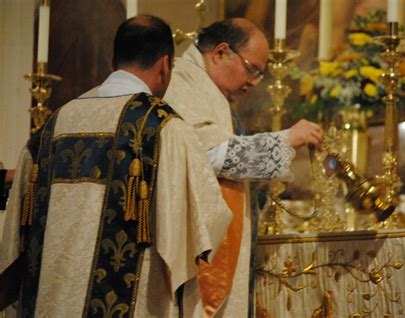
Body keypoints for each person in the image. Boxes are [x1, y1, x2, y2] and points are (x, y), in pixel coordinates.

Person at [0, 15, 232, 317]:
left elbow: (19, 235)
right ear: (165, 64)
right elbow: (204, 224)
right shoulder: (165, 128)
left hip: (51, 305)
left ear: (114, 62)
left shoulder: (53, 126)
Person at [164, 18, 323, 317]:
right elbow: (208, 154)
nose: (253, 83)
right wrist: (287, 139)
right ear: (221, 52)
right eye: (252, 70)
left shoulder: (208, 88)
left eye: (260, 76)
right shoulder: (181, 82)